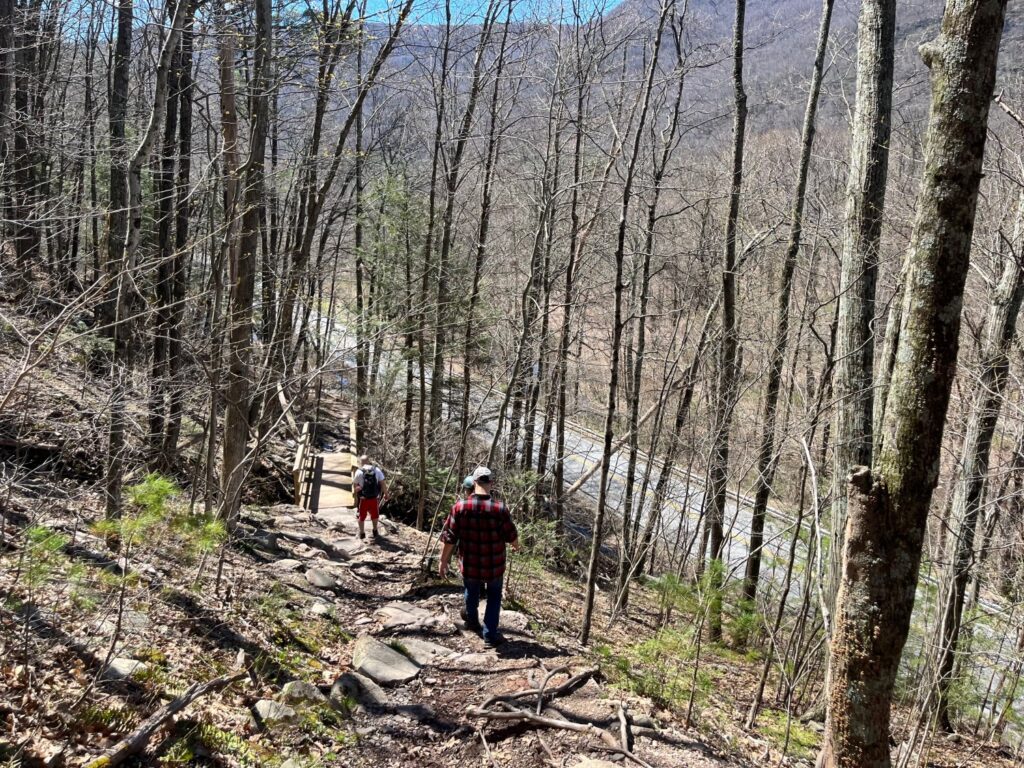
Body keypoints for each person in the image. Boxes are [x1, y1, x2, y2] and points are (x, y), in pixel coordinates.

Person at [439, 467, 520, 648]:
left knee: (471, 591)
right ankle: (490, 636)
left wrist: (443, 561)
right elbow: (511, 536)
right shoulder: (500, 509)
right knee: (493, 598)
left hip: (470, 564)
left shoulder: (459, 507)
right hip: (494, 565)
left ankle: (473, 621)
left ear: (474, 483)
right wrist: (516, 546)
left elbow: (449, 538)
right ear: (491, 483)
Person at [353, 455, 387, 540]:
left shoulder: (358, 472)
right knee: (375, 514)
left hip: (363, 498)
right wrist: (386, 494)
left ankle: (362, 533)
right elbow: (382, 483)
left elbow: (355, 486)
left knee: (361, 516)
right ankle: (375, 530)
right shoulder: (376, 470)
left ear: (360, 462)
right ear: (368, 461)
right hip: (374, 498)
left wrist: (357, 495)